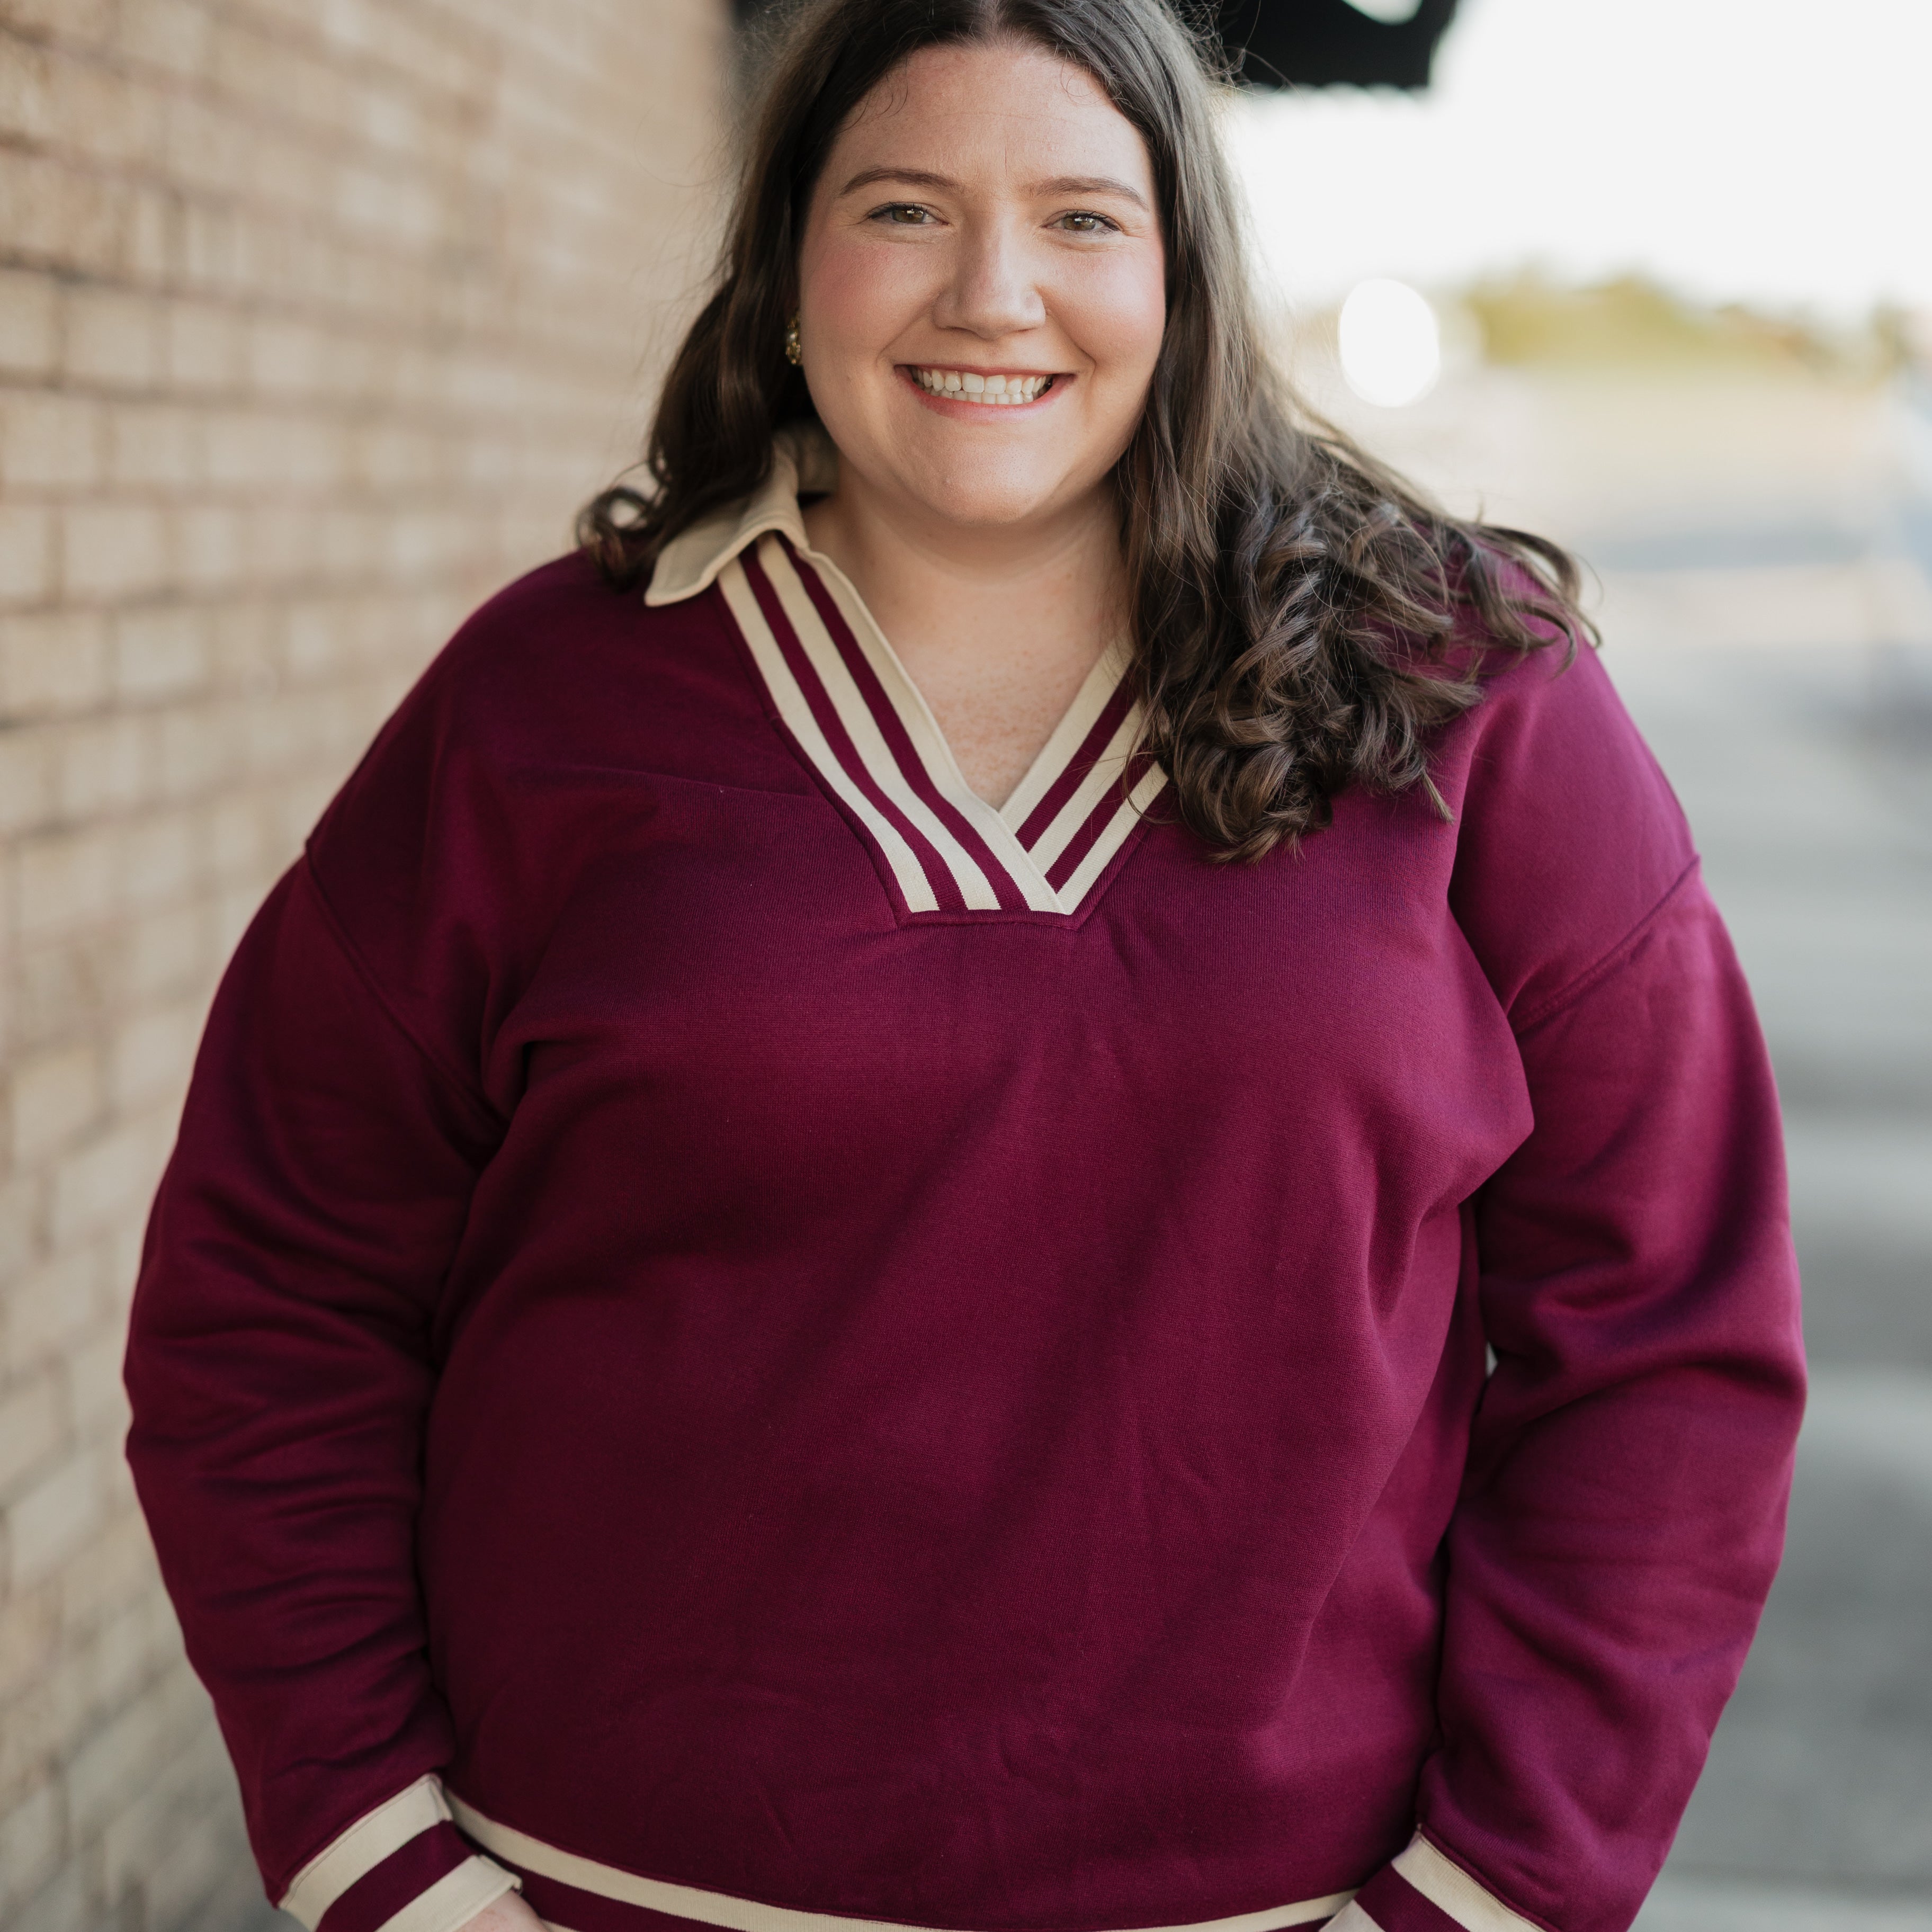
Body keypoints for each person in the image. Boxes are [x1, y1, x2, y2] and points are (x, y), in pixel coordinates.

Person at [123, 1, 1805, 1930]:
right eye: (907, 208)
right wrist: (389, 1868)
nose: (994, 293)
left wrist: (1493, 1893)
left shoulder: (1462, 686)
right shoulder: (541, 705)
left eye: (1083, 219)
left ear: (1184, 269)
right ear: (789, 266)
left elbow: (1673, 1338)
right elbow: (272, 1291)